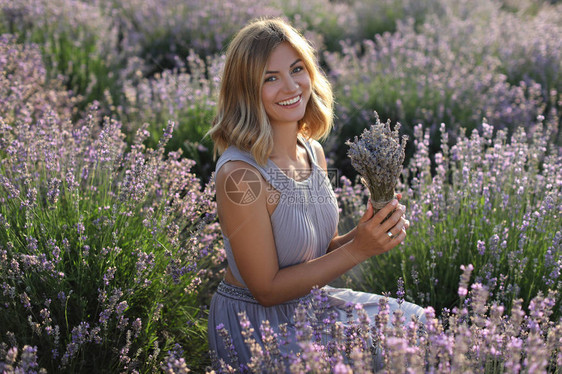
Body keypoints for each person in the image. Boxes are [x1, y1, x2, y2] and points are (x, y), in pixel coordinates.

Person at [205, 17, 425, 370]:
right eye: (270, 78)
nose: (291, 86)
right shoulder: (240, 176)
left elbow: (315, 254)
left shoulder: (311, 151)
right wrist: (358, 249)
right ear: (246, 90)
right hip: (258, 327)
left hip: (310, 308)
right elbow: (267, 289)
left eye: (297, 69)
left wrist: (366, 234)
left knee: (418, 324)